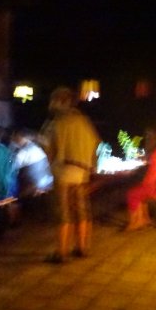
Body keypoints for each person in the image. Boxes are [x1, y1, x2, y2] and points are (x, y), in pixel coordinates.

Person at [41, 86, 100, 263]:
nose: (51, 104)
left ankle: (61, 252)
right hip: (82, 172)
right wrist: (91, 167)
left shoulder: (55, 123)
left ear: (60, 101)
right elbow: (95, 144)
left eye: (53, 100)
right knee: (82, 211)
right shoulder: (84, 121)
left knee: (63, 212)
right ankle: (82, 248)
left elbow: (49, 149)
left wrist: (50, 162)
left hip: (63, 172)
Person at [10, 127, 54, 224]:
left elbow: (13, 167)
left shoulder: (23, 152)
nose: (15, 141)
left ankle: (18, 219)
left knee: (13, 190)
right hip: (47, 181)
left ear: (21, 138)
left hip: (34, 185)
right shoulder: (37, 148)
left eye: (16, 138)